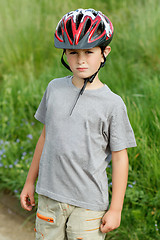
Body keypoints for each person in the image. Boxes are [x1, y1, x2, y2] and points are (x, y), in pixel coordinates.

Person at [20, 8, 136, 240]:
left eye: (89, 51)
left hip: (89, 205)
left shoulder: (113, 104)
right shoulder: (54, 89)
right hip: (50, 198)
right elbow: (45, 137)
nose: (81, 59)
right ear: (65, 53)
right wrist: (29, 182)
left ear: (104, 53)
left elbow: (120, 157)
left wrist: (116, 209)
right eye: (73, 52)